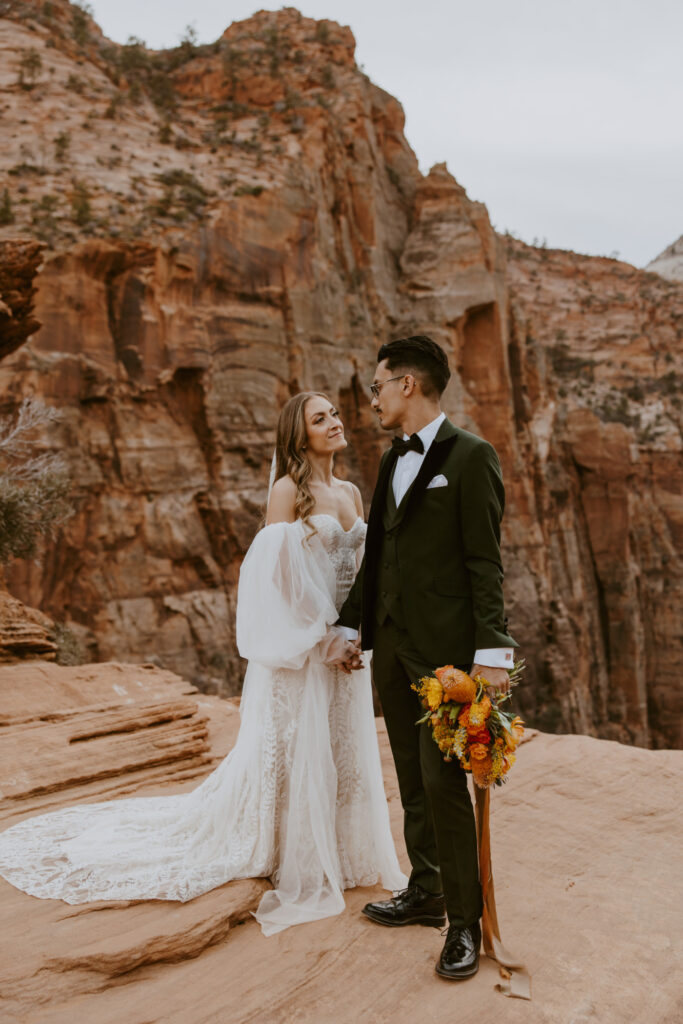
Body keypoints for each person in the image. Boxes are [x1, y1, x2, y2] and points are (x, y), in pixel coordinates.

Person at [0, 392, 406, 935]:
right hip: (303, 648)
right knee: (292, 749)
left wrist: (356, 636)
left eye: (334, 413)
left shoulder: (353, 491)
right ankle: (288, 851)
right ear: (298, 434)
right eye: (319, 418)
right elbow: (275, 582)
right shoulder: (288, 491)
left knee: (339, 749)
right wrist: (321, 640)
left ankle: (340, 849)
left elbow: (365, 571)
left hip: (348, 649)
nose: (333, 422)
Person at [336, 335, 517, 980]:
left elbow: (484, 563)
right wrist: (352, 626)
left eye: (379, 385)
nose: (374, 397)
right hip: (391, 644)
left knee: (444, 786)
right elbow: (378, 553)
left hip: (445, 654)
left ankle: (464, 924)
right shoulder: (391, 461)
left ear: (407, 384)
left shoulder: (472, 457)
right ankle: (427, 891)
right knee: (412, 778)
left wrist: (492, 652)